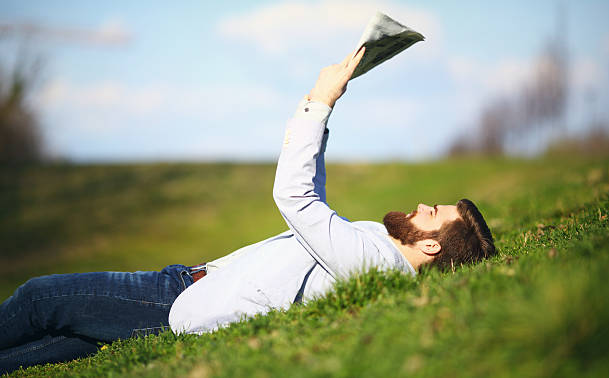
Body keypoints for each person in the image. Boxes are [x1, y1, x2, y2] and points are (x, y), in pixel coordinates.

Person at [0, 47, 496, 373]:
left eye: (432, 212)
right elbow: (315, 200)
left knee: (42, 299)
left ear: (431, 246)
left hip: (171, 299)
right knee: (44, 347)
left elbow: (296, 198)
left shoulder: (373, 265)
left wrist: (319, 101)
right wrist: (323, 116)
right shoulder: (374, 255)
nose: (419, 205)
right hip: (187, 285)